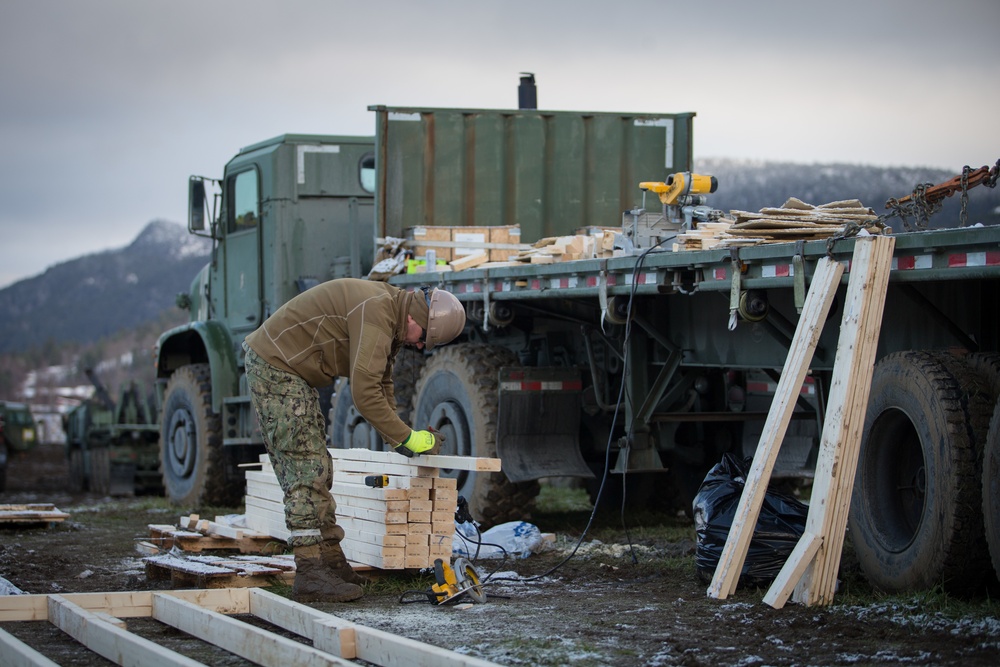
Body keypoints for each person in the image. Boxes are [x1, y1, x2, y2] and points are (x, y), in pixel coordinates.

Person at [243, 278, 466, 602]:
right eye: (424, 340)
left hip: (290, 370)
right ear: (415, 319)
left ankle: (330, 560)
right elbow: (364, 393)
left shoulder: (390, 314)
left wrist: (403, 439)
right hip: (275, 366)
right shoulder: (378, 311)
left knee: (321, 467)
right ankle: (309, 571)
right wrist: (407, 439)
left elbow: (382, 383)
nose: (419, 347)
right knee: (307, 470)